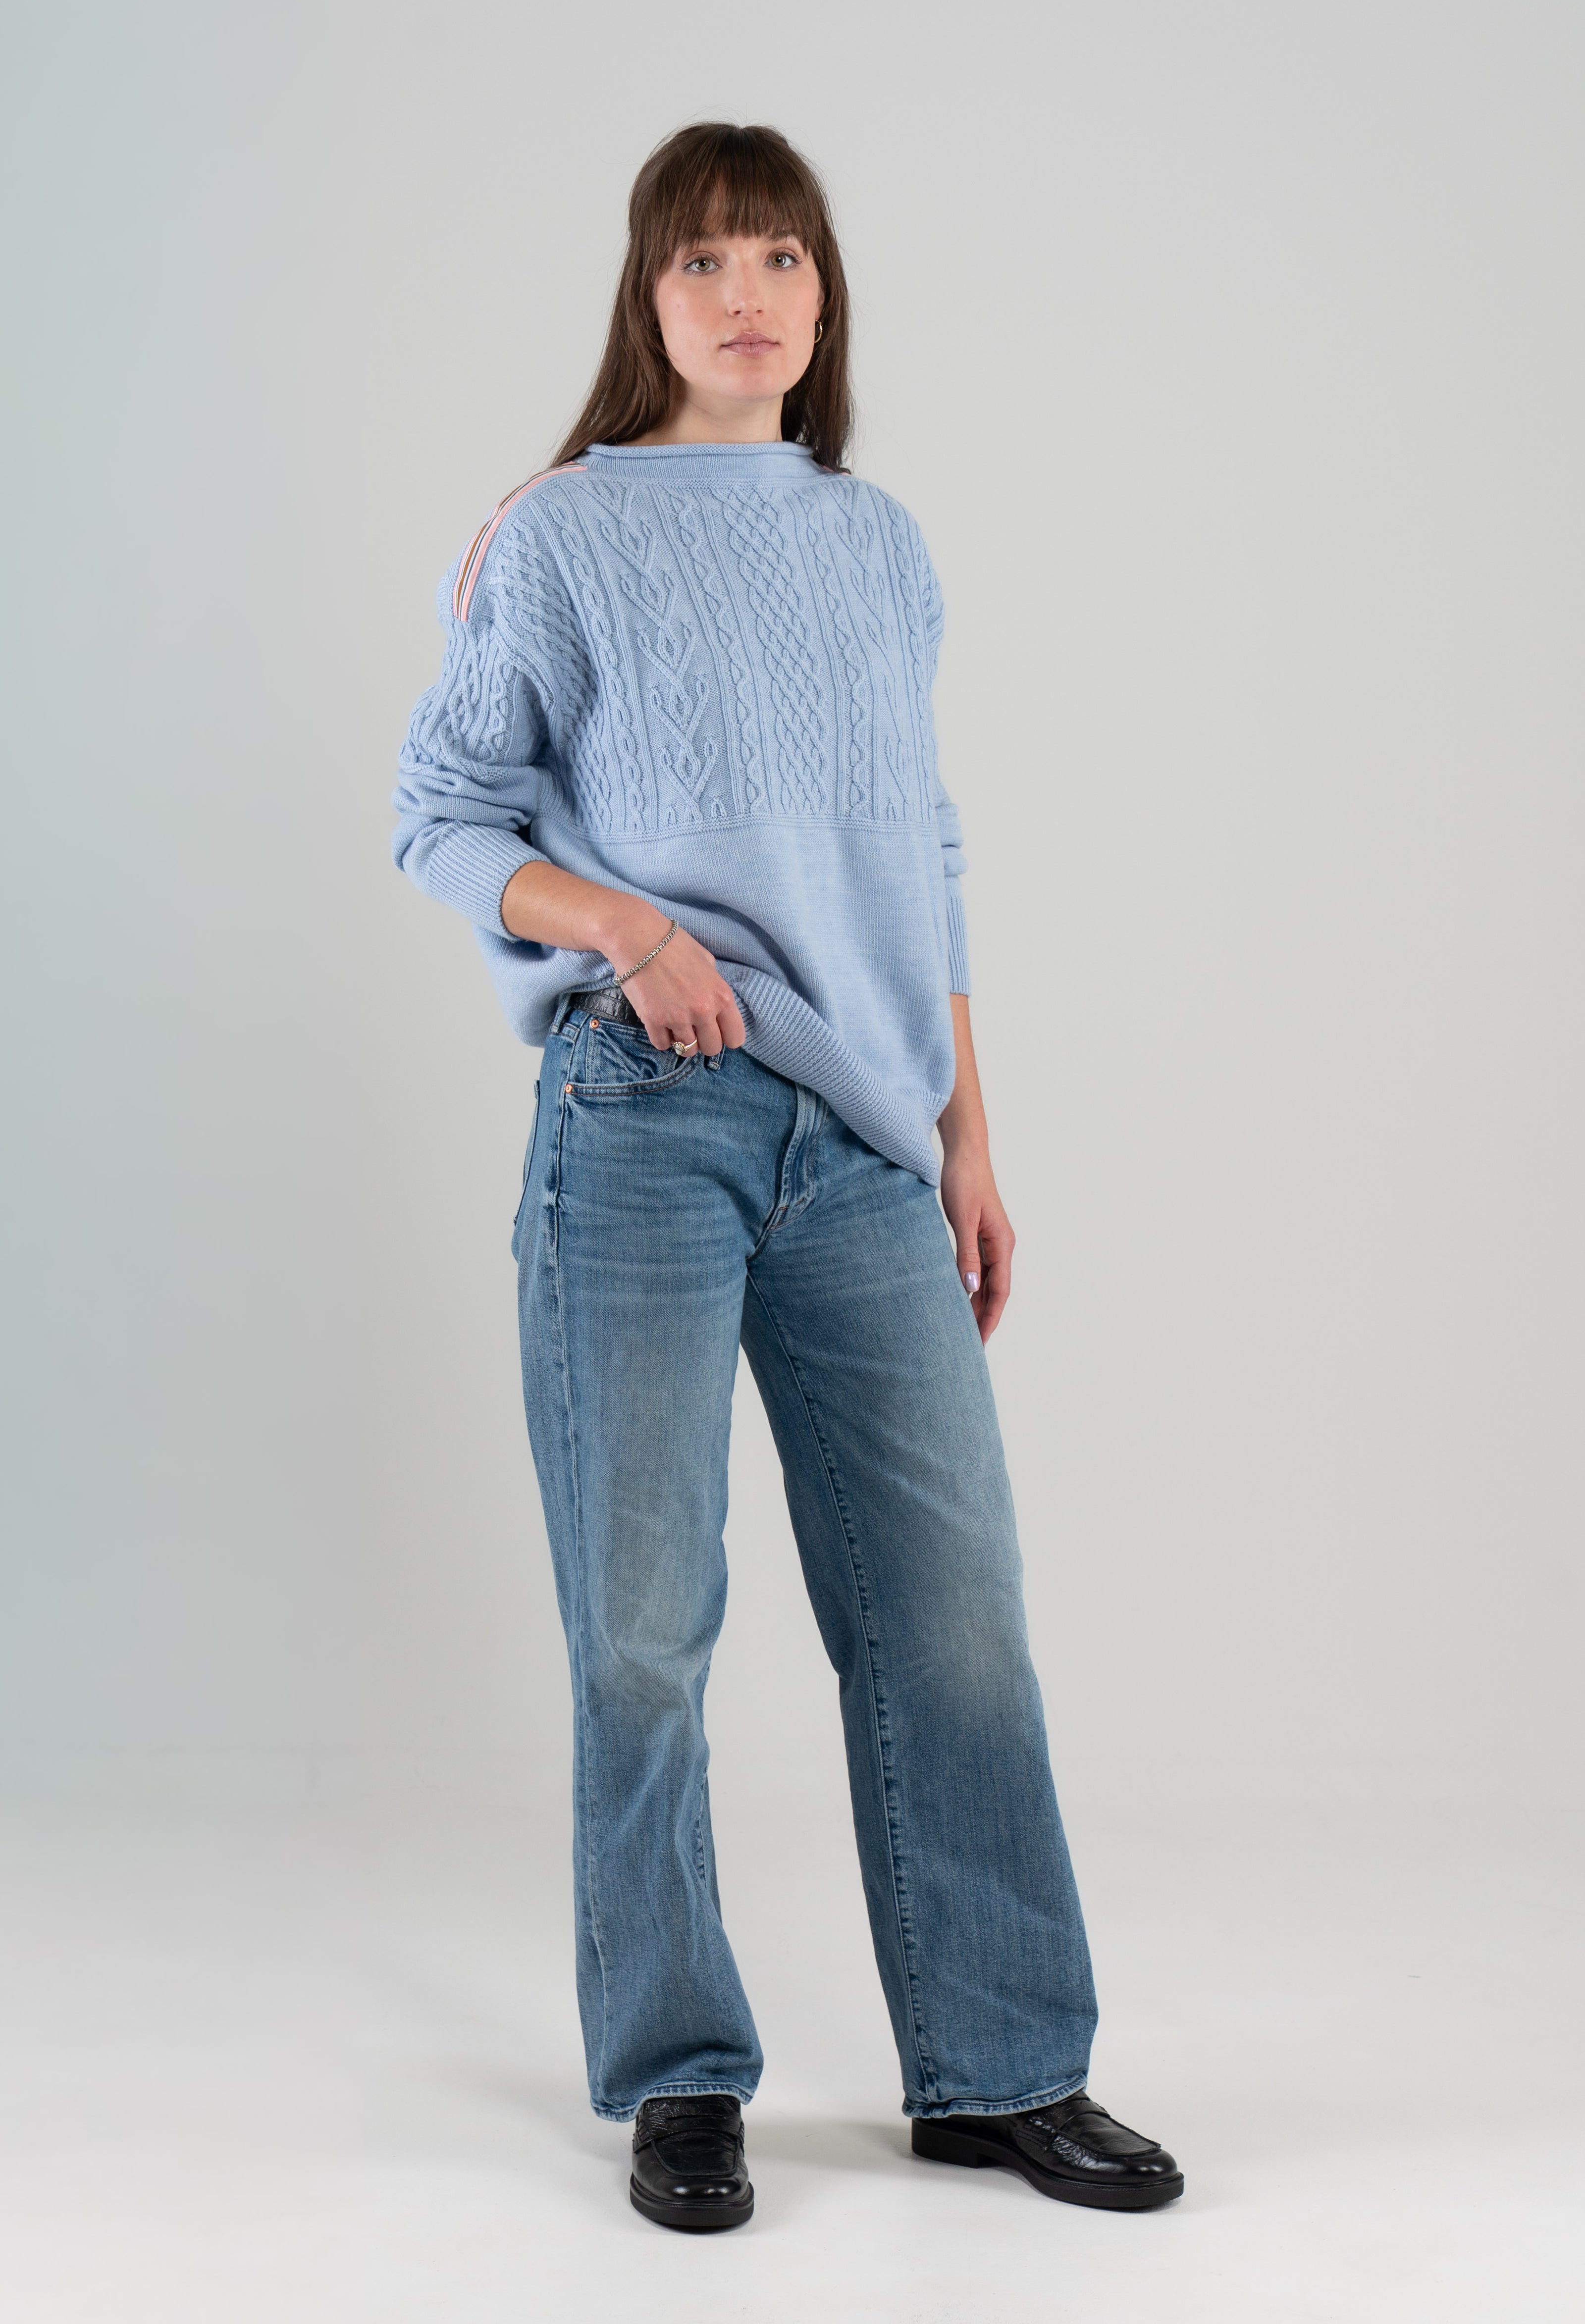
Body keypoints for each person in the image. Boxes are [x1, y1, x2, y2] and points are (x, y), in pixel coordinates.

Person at [392, 120, 1180, 2233]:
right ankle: (677, 2075)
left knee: (952, 1621)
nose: (746, 296)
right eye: (702, 262)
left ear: (823, 299)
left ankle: (1001, 2068)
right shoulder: (553, 534)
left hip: (861, 1146)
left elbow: (908, 855)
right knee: (644, 1631)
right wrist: (631, 934)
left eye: (782, 260)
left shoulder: (875, 540)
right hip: (641, 1125)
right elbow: (444, 816)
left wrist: (965, 1132)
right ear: (641, 298)